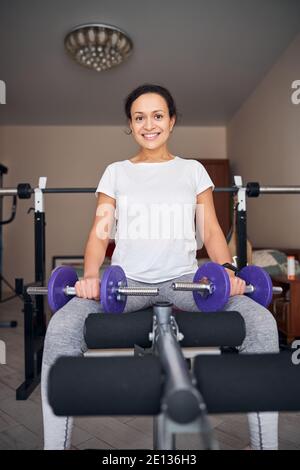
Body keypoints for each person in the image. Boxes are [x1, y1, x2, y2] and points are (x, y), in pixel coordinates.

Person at [41, 84, 279, 450]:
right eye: (139, 117)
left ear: (171, 121)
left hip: (186, 281)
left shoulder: (192, 171)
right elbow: (99, 232)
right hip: (127, 284)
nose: (148, 125)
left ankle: (267, 445)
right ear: (130, 124)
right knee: (60, 328)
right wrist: (90, 277)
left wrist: (229, 271)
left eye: (157, 115)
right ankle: (54, 446)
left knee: (261, 322)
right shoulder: (116, 172)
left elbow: (211, 229)